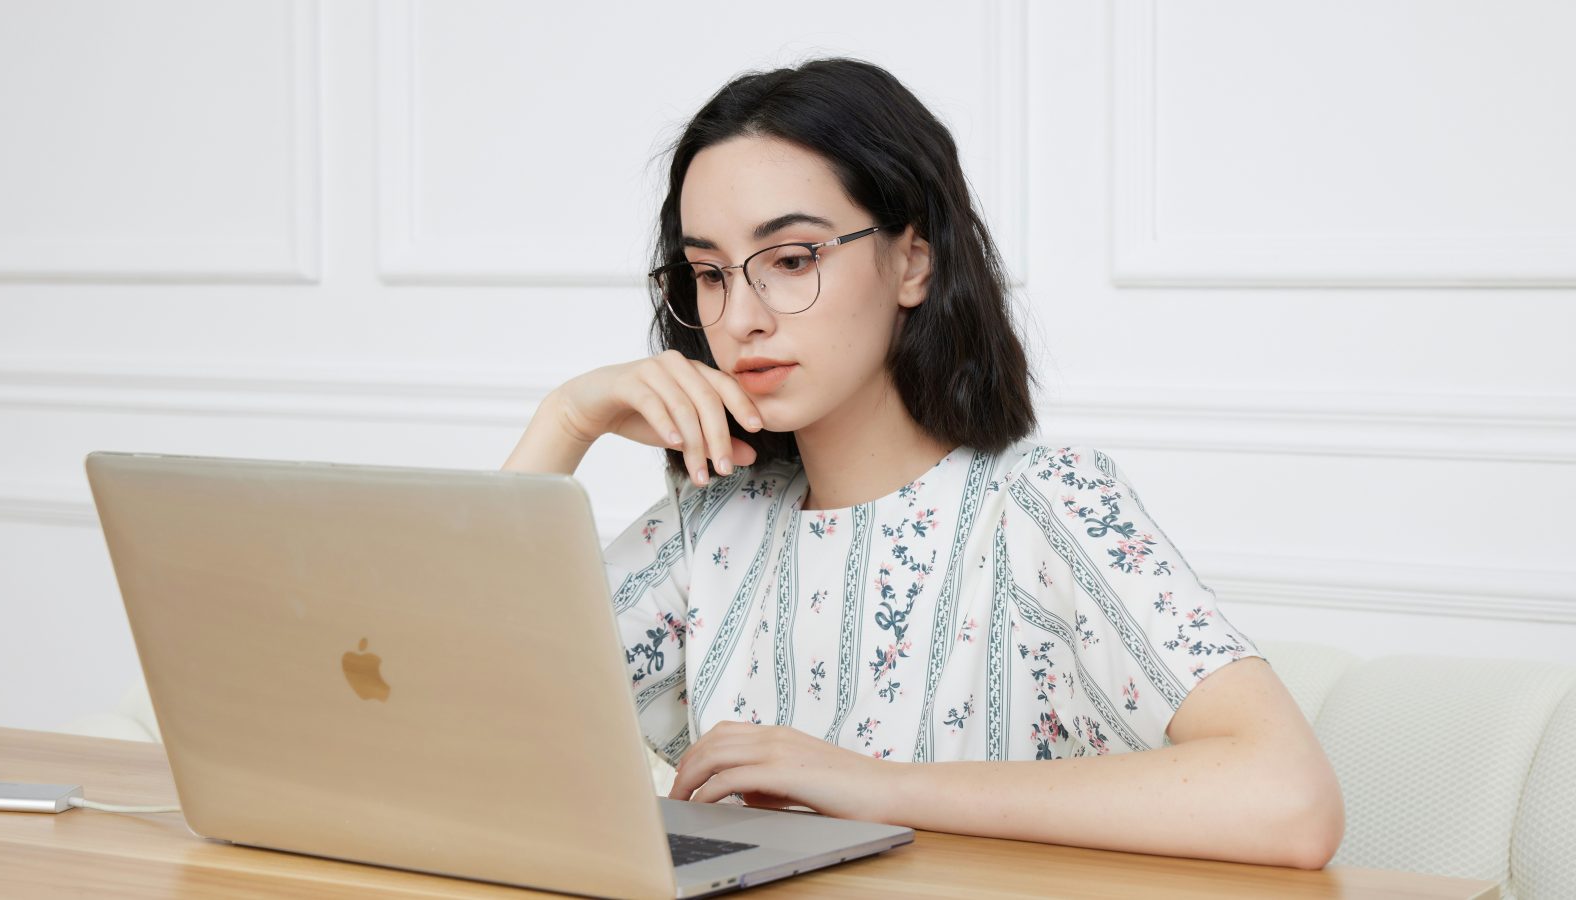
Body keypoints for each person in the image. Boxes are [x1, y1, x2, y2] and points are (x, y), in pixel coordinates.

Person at [502, 57, 1343, 869]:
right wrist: (564, 422)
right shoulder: (713, 522)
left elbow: (1290, 799)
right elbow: (464, 718)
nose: (742, 317)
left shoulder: (1040, 504)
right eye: (709, 273)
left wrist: (874, 788)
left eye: (792, 259)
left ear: (912, 259)